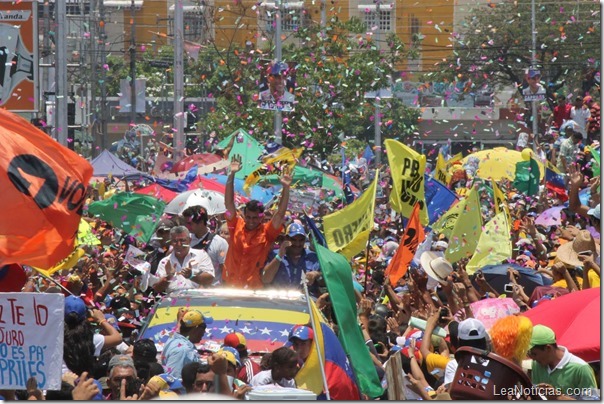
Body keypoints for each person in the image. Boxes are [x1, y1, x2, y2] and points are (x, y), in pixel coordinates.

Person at [223, 154, 292, 288]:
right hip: (229, 287)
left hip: (253, 289)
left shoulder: (267, 232)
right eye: (248, 217)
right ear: (244, 215)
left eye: (255, 218)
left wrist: (286, 188)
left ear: (261, 217)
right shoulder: (236, 224)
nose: (251, 221)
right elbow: (228, 203)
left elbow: (279, 214)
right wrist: (231, 174)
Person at [528, 324, 598, 399]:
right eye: (529, 354)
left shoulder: (581, 368)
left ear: (548, 348)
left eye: (534, 354)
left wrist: (559, 397)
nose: (532, 358)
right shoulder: (536, 364)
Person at [149, 226, 215, 293]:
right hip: (174, 301)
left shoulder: (201, 255)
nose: (179, 244)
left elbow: (210, 279)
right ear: (171, 242)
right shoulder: (165, 262)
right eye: (175, 241)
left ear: (189, 240)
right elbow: (157, 289)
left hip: (196, 300)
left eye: (182, 240)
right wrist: (169, 277)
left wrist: (191, 275)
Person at [261, 223, 320, 287]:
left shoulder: (312, 257)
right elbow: (265, 279)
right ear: (286, 238)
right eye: (293, 240)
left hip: (307, 296)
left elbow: (326, 279)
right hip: (281, 296)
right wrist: (279, 256)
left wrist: (316, 274)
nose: (297, 244)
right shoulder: (274, 254)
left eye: (301, 240)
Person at [182, 205, 229, 285]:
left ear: (201, 222)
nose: (187, 226)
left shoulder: (219, 243)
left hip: (210, 292)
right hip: (188, 291)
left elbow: (224, 270)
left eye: (190, 223)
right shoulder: (184, 240)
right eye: (186, 223)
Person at [161, 309, 208, 379]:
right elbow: (173, 379)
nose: (204, 332)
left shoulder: (174, 338)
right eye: (203, 327)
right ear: (196, 329)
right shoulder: (183, 351)